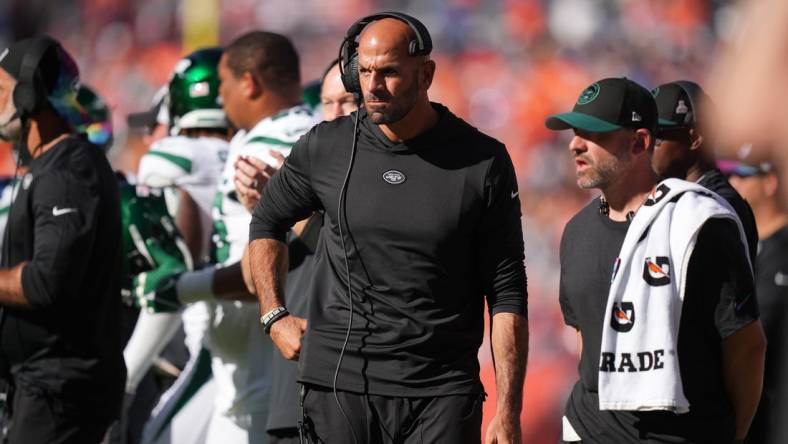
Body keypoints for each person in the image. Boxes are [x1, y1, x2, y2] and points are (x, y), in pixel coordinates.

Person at [248, 13, 529, 444]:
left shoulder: (483, 160)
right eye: (364, 72)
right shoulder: (325, 146)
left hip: (441, 392)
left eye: (389, 72)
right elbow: (267, 221)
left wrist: (508, 410)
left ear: (426, 74)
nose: (372, 87)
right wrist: (274, 315)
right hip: (338, 385)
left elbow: (507, 290)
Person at [546, 77, 767, 443]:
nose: (574, 145)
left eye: (594, 134)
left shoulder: (701, 223)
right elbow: (588, 345)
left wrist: (732, 435)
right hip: (588, 430)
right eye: (574, 132)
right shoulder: (575, 231)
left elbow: (747, 347)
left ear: (639, 143)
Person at [0, 35, 125, 443]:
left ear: (28, 93)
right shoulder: (48, 164)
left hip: (62, 388)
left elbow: (44, 282)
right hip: (41, 384)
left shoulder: (68, 170)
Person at [245, 59, 358, 444]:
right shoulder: (308, 170)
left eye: (347, 101)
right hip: (291, 389)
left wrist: (286, 212)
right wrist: (262, 215)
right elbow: (250, 278)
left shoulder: (382, 177)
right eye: (327, 103)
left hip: (347, 392)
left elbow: (360, 262)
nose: (336, 114)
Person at [651, 80, 758, 263]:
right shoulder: (675, 193)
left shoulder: (718, 207)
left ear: (694, 139)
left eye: (658, 134)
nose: (648, 144)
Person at [721, 154, 788, 444]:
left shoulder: (783, 250)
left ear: (770, 182)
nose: (733, 183)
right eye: (730, 175)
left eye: (743, 175)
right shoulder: (742, 245)